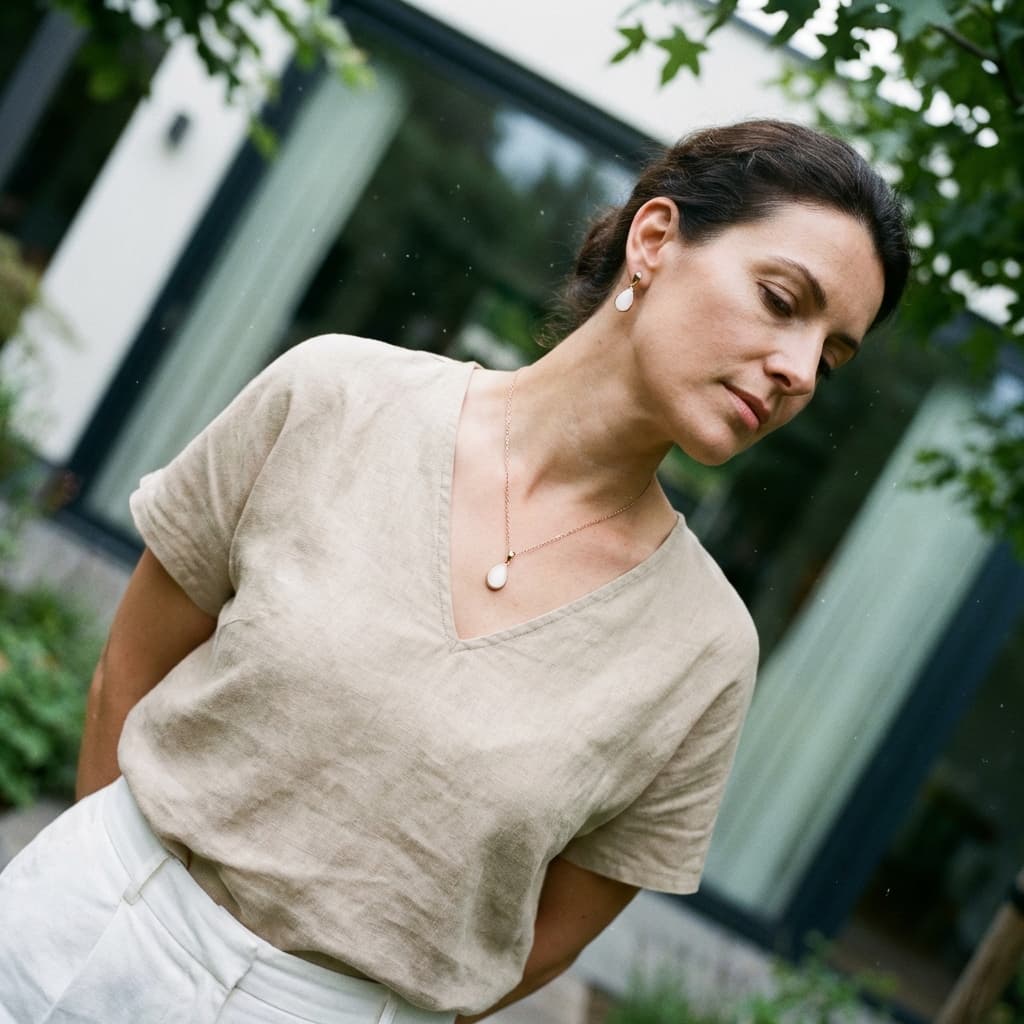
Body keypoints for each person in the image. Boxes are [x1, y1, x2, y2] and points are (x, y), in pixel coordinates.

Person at [0, 119, 910, 1024]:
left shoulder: (705, 650)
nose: (797, 371)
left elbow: (551, 933)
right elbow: (130, 669)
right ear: (656, 239)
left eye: (831, 357)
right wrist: (123, 909)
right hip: (77, 934)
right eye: (782, 302)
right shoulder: (338, 396)